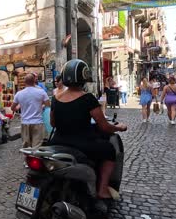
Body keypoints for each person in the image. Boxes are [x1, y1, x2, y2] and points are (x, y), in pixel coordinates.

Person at [49, 59, 127, 199]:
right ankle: (102, 190)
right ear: (84, 77)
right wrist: (119, 127)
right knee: (109, 150)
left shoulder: (55, 98)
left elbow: (53, 123)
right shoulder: (87, 98)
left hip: (57, 141)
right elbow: (104, 126)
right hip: (82, 143)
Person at [11, 74, 50, 149]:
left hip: (25, 123)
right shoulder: (41, 92)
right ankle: (36, 159)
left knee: (26, 147)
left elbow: (12, 108)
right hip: (38, 122)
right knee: (37, 146)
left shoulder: (19, 94)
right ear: (34, 81)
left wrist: (19, 106)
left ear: (25, 82)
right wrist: (40, 105)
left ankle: (27, 160)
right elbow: (48, 105)